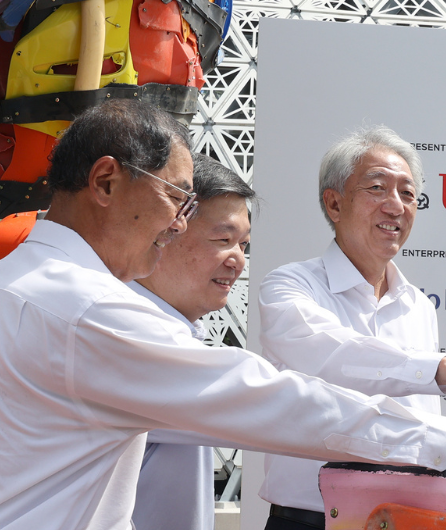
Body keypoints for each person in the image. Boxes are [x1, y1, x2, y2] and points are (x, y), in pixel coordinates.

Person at [0, 100, 446, 530]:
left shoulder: (3, 286)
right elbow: (266, 395)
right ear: (108, 183)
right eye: (179, 199)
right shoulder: (87, 310)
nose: (179, 225)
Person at [256, 126, 446, 530]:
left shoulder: (418, 305)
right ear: (334, 204)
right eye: (377, 188)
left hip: (408, 519)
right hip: (310, 521)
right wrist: (443, 369)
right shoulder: (289, 286)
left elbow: (419, 423)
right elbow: (331, 356)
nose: (396, 206)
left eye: (407, 193)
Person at [129, 153, 254, 530]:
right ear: (168, 230)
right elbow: (267, 409)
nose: (238, 260)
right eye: (223, 239)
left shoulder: (176, 333)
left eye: (244, 245)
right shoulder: (134, 337)